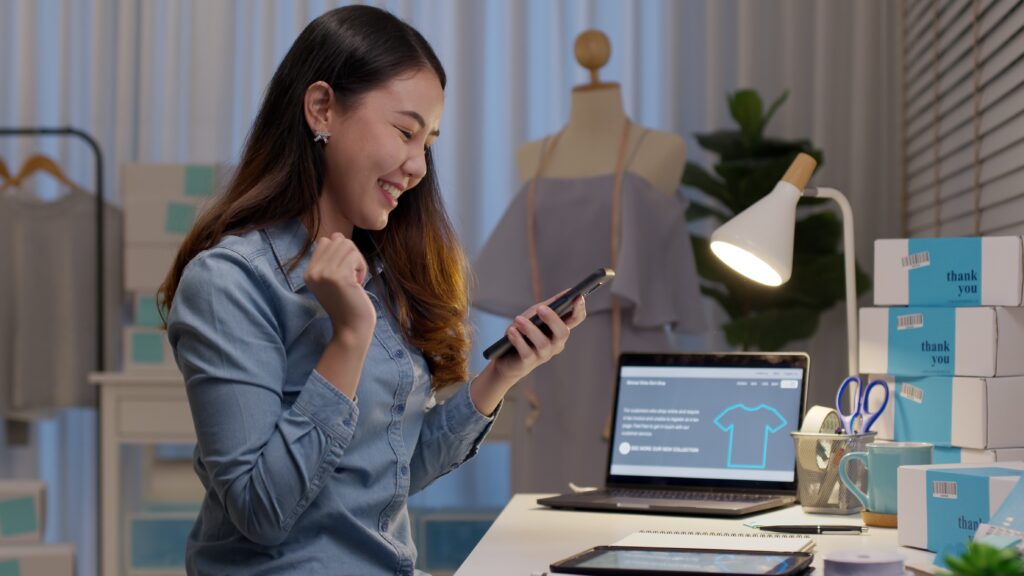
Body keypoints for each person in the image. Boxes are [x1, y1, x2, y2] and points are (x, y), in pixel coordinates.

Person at [157, 6, 586, 575]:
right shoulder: (228, 283)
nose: (419, 166)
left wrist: (502, 374)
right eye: (406, 132)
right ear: (322, 109)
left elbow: (388, 471)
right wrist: (349, 337)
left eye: (428, 142)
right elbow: (261, 511)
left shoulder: (377, 273)